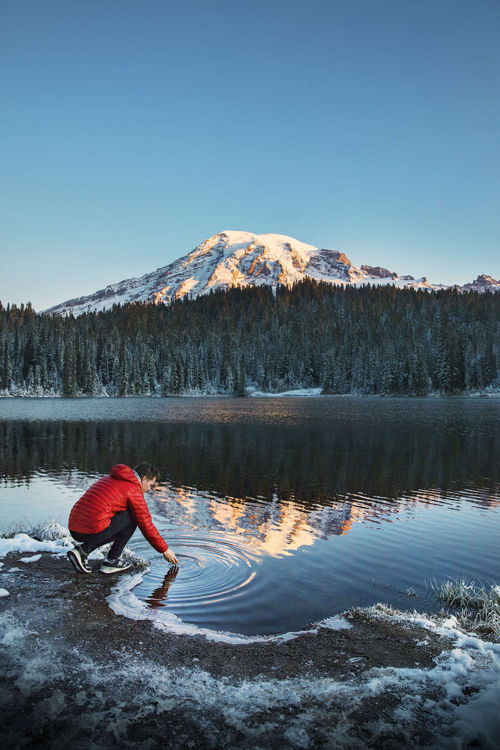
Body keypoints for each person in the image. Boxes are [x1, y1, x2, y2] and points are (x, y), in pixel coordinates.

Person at [66, 461, 178, 574]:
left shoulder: (110, 478)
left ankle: (86, 551)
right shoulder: (133, 489)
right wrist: (165, 550)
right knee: (134, 517)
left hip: (74, 528)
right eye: (151, 484)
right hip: (89, 529)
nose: (150, 489)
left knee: (125, 515)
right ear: (144, 479)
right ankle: (109, 560)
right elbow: (146, 524)